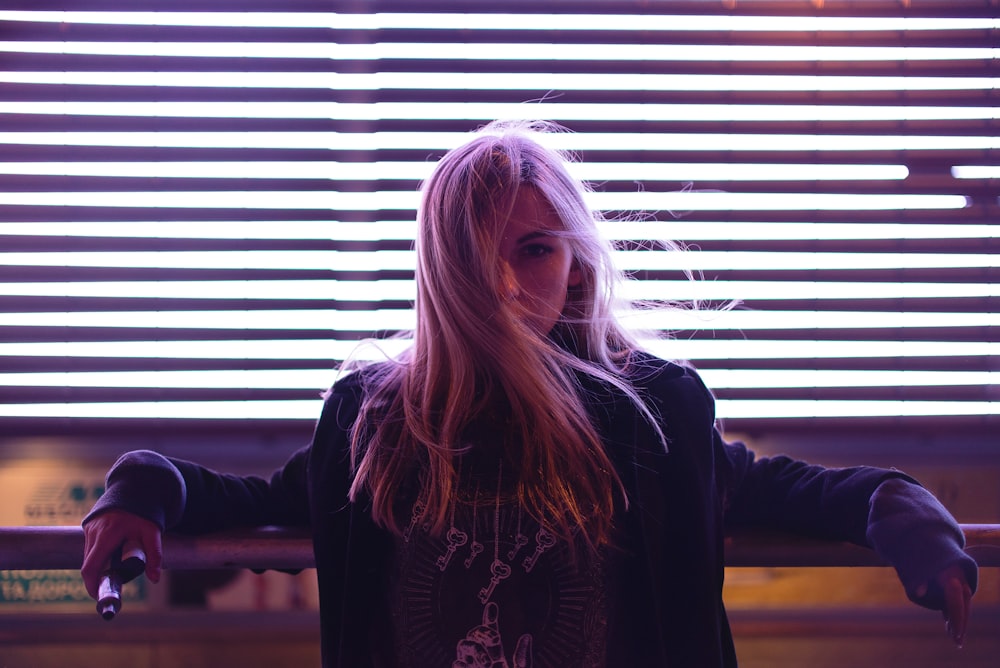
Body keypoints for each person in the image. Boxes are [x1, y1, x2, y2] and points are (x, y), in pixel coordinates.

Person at [81, 120, 977, 668]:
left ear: (577, 262)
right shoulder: (375, 418)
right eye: (478, 255)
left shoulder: (654, 412)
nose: (507, 286)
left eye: (536, 249)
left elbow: (787, 490)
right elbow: (263, 504)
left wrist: (902, 511)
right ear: (440, 271)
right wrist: (141, 488)